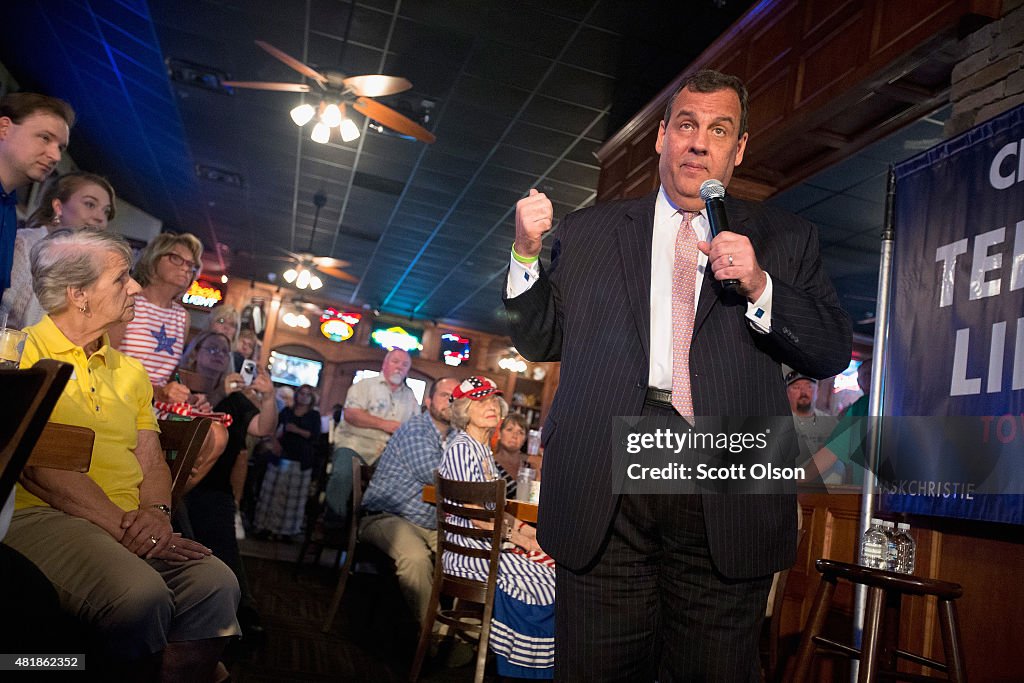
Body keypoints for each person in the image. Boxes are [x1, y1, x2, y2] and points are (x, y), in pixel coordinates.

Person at [504, 69, 852, 681]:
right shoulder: (588, 233)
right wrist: (524, 254)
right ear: (661, 136)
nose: (699, 142)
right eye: (686, 125)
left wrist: (759, 286)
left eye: (719, 130)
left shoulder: (787, 238)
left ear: (738, 149)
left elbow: (828, 351)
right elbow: (540, 340)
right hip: (605, 479)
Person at [5, 228, 239, 680]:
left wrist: (156, 514)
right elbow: (38, 469)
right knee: (140, 593)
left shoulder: (129, 371)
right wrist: (127, 528)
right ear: (79, 295)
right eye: (121, 279)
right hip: (41, 516)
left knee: (217, 583)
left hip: (131, 520)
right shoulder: (17, 353)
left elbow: (150, 458)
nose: (135, 287)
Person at [438, 376, 554, 679]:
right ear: (464, 409)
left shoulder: (481, 450)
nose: (490, 406)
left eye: (493, 401)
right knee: (548, 581)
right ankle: (521, 670)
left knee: (554, 568)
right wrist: (524, 542)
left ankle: (531, 666)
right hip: (469, 555)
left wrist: (532, 534)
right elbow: (477, 516)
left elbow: (497, 511)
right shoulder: (463, 448)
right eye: (480, 401)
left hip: (484, 548)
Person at [179, 329, 278, 641]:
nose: (219, 355)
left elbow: (263, 428)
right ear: (196, 353)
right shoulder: (179, 388)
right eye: (212, 349)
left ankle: (239, 613)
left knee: (223, 547)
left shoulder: (236, 399)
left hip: (216, 487)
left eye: (224, 351)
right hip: (179, 480)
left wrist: (270, 396)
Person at [359, 376, 459, 624]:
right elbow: (437, 475)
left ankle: (464, 632)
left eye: (456, 396)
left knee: (473, 558)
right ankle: (432, 634)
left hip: (433, 525)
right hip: (388, 517)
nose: (451, 400)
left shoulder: (459, 436)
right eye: (445, 395)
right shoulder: (415, 429)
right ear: (428, 401)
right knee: (415, 558)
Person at [2, 171, 115, 329]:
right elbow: (3, 311)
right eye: (90, 204)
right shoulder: (24, 244)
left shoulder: (92, 268)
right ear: (58, 207)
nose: (100, 218)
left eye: (106, 211)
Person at [326, 349, 419, 531]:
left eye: (405, 364)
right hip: (355, 444)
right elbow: (352, 415)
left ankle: (373, 530)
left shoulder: (410, 397)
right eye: (396, 362)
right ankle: (333, 526)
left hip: (387, 454)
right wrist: (385, 424)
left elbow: (414, 427)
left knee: (404, 483)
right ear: (384, 364)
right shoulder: (364, 386)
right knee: (343, 474)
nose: (399, 367)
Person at [0, 92, 74, 291]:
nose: (55, 156)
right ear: (4, 128)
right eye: (44, 138)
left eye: (60, 147)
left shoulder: (8, 210)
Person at [252, 384, 321, 539]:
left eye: (307, 394)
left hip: (301, 460)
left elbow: (314, 437)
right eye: (301, 393)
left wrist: (296, 430)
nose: (303, 397)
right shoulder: (287, 411)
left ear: (312, 398)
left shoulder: (314, 416)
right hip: (281, 456)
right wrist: (275, 443)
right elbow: (273, 429)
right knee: (271, 493)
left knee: (292, 499)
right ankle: (265, 527)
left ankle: (286, 532)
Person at [784, 368, 842, 484]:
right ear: (787, 392)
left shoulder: (831, 423)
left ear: (817, 391)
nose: (803, 392)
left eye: (809, 386)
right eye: (796, 387)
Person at [491, 412, 528, 499]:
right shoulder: (491, 464)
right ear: (499, 434)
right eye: (509, 430)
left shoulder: (529, 468)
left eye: (520, 432)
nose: (515, 436)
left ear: (525, 439)